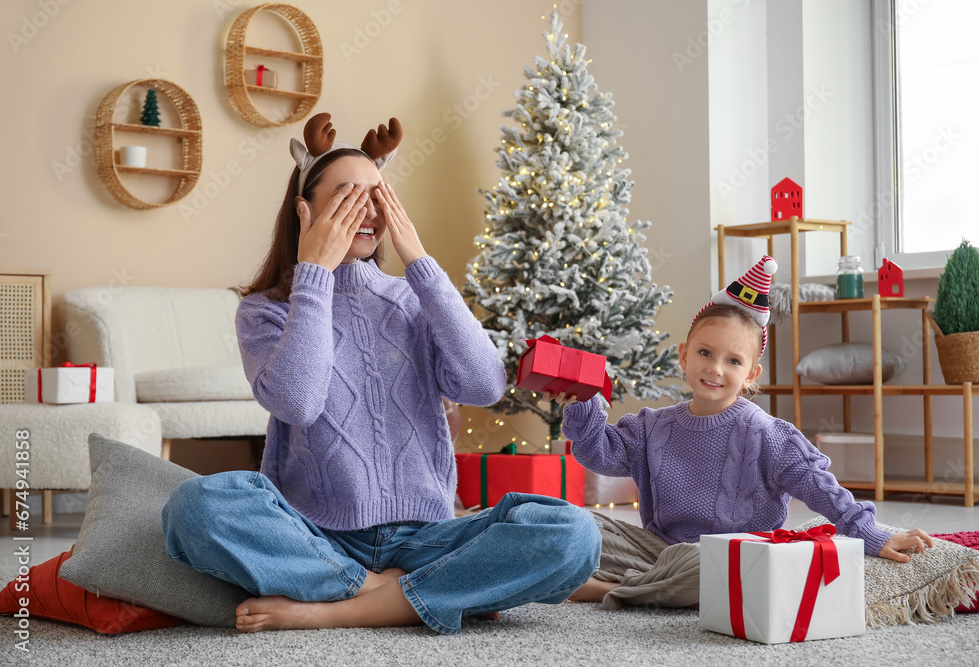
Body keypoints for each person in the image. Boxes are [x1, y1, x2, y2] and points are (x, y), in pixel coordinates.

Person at [161, 113, 600, 634]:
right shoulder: (266, 311)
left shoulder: (414, 298)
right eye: (346, 196)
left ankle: (343, 607)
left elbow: (484, 384)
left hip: (427, 539)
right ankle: (393, 591)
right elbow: (298, 402)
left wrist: (420, 261)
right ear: (305, 209)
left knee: (574, 533)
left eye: (376, 196)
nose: (365, 212)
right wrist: (315, 274)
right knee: (195, 508)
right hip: (316, 533)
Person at [552, 255, 933, 609]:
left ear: (751, 374)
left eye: (733, 360)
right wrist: (582, 404)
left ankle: (616, 589)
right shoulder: (652, 426)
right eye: (704, 353)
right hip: (657, 550)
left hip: (732, 556)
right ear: (684, 355)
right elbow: (597, 454)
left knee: (724, 569)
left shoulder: (768, 434)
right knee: (574, 523)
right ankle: (647, 584)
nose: (715, 368)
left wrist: (872, 533)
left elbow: (822, 489)